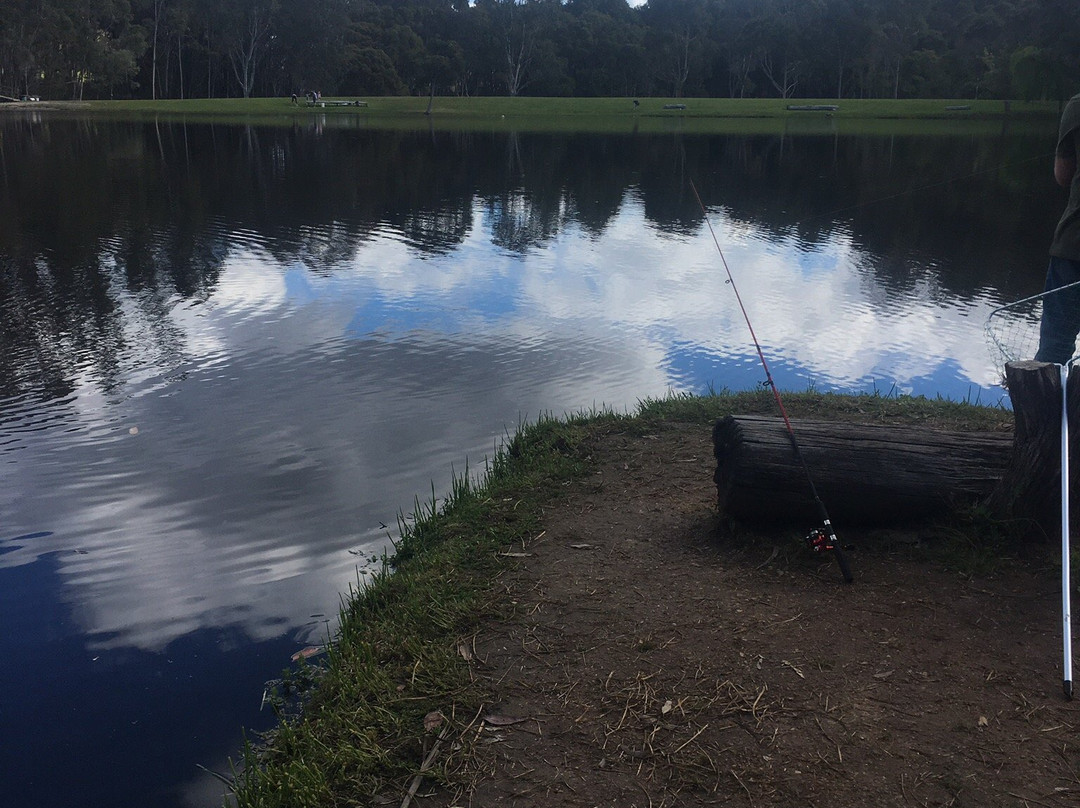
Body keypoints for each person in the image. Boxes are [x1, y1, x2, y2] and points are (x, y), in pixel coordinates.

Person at [1035, 93, 1080, 364]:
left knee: (1056, 344)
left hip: (1074, 248)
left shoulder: (1077, 106)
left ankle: (1044, 406)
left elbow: (1063, 176)